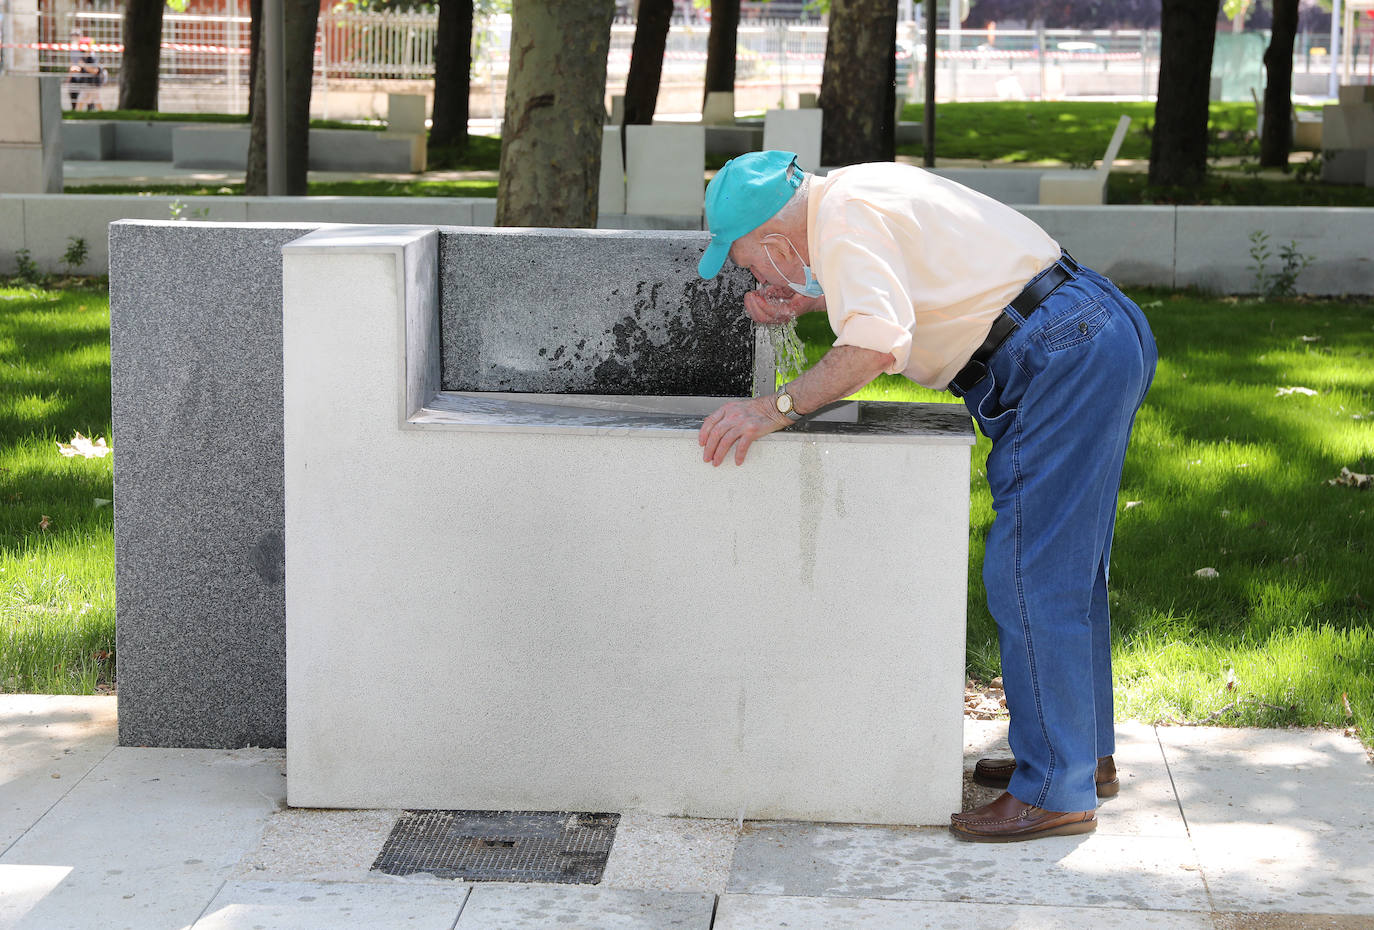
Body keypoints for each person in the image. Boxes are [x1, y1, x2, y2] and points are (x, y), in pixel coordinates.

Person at [695, 150, 1156, 842]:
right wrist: (818, 298)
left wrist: (773, 408)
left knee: (1030, 574)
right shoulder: (852, 192)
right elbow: (915, 285)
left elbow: (879, 344)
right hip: (1089, 329)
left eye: (746, 262)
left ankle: (1056, 789)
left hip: (1060, 355)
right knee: (1065, 573)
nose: (751, 276)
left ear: (777, 241)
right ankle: (1079, 758)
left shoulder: (840, 225)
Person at [67, 34, 106, 112]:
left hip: (93, 85)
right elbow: (83, 69)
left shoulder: (92, 57)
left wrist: (83, 65)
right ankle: (77, 117)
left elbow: (95, 70)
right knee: (81, 102)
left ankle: (103, 116)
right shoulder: (84, 57)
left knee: (96, 102)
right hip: (87, 84)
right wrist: (76, 69)